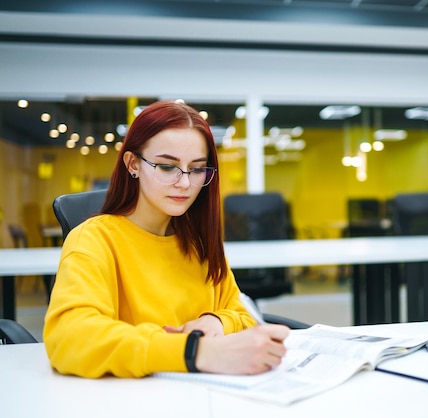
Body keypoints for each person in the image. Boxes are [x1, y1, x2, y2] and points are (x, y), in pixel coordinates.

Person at [44, 100, 289, 378]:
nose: (184, 183)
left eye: (196, 169)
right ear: (133, 164)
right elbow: (71, 338)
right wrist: (194, 351)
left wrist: (216, 320)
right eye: (167, 167)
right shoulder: (93, 241)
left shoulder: (198, 243)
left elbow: (242, 313)